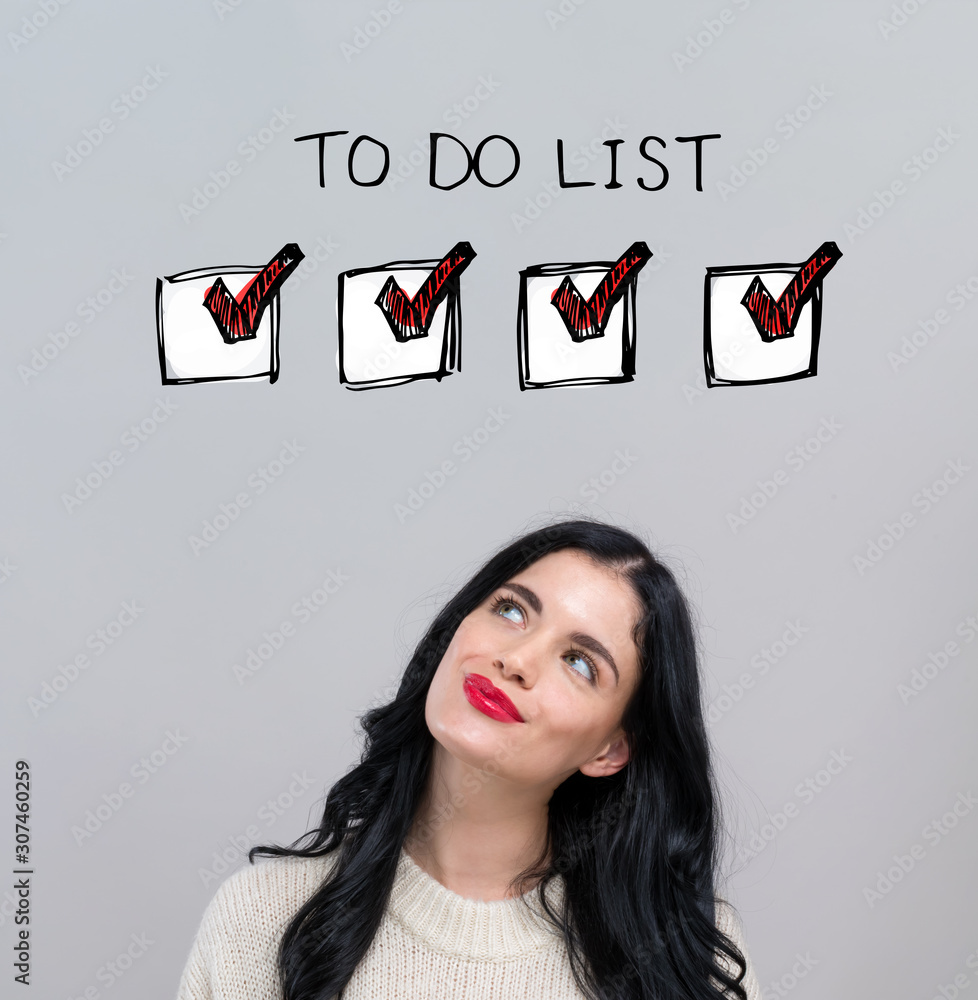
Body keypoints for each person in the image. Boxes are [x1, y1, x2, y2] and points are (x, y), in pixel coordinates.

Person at [176, 518, 761, 1000]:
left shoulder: (689, 962)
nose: (517, 659)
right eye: (511, 610)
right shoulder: (262, 919)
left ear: (610, 749)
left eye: (579, 662)